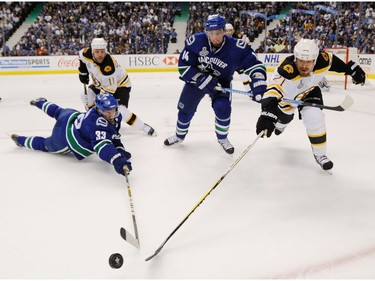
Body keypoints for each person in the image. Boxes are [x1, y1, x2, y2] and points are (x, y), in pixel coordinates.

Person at [255, 39, 366, 171]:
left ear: (315, 59)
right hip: (288, 99)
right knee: (284, 119)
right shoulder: (286, 71)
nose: (304, 65)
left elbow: (333, 61)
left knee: (315, 118)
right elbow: (272, 90)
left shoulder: (323, 60)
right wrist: (267, 113)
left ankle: (320, 155)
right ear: (295, 58)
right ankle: (281, 124)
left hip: (310, 91)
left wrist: (350, 70)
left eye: (308, 62)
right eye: (301, 60)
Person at [164, 14, 267, 154]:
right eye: (211, 33)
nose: (215, 37)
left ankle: (222, 138)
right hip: (196, 82)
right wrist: (201, 79)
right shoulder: (196, 42)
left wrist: (259, 85)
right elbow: (183, 67)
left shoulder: (237, 47)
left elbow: (255, 66)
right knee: (185, 109)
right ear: (207, 32)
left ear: (224, 31)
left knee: (223, 109)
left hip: (221, 84)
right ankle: (179, 135)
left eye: (218, 32)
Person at [11, 93, 132, 177]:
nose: (111, 114)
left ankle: (40, 102)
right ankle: (20, 140)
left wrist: (119, 148)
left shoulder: (114, 115)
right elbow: (102, 145)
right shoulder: (97, 123)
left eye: (113, 110)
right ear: (99, 111)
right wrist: (116, 159)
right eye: (107, 112)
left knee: (58, 111)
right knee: (44, 145)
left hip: (70, 116)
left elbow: (112, 134)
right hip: (65, 136)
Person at [78, 37, 157, 137]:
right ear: (92, 51)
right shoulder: (86, 53)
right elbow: (81, 56)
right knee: (85, 95)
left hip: (120, 86)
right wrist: (83, 72)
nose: (100, 55)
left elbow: (109, 90)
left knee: (120, 111)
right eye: (97, 52)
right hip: (102, 83)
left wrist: (98, 105)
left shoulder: (108, 67)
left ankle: (143, 127)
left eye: (102, 52)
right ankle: (95, 119)